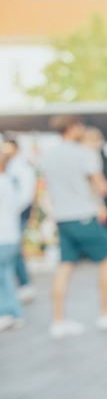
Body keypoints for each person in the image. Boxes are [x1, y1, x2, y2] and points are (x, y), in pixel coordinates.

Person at [39, 115, 107, 338]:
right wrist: (103, 187)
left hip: (62, 217)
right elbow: (100, 186)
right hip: (84, 215)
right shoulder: (84, 154)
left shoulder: (48, 156)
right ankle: (105, 314)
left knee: (65, 265)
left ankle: (58, 321)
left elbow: (44, 187)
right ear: (71, 128)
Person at [1, 137, 37, 302]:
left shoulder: (21, 168)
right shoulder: (8, 168)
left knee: (12, 252)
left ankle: (24, 285)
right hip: (9, 216)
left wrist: (14, 212)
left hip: (15, 215)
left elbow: (25, 195)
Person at [0, 147, 29, 332]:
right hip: (10, 235)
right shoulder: (9, 182)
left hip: (3, 237)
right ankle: (13, 312)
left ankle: (7, 313)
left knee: (4, 277)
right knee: (7, 276)